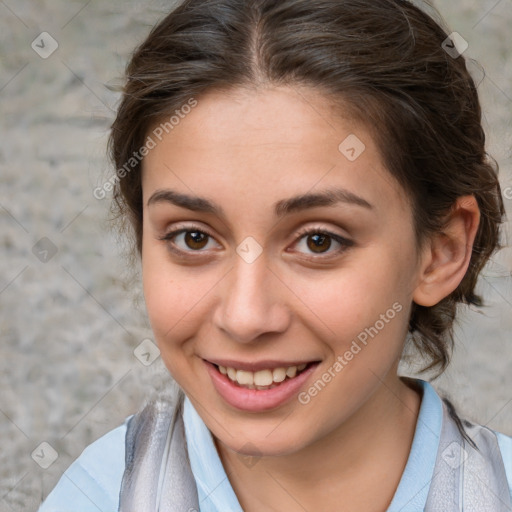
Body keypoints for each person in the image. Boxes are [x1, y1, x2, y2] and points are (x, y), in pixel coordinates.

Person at [38, 0, 512, 510]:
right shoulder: (98, 495)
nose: (245, 318)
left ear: (441, 251)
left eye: (318, 241)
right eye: (193, 238)